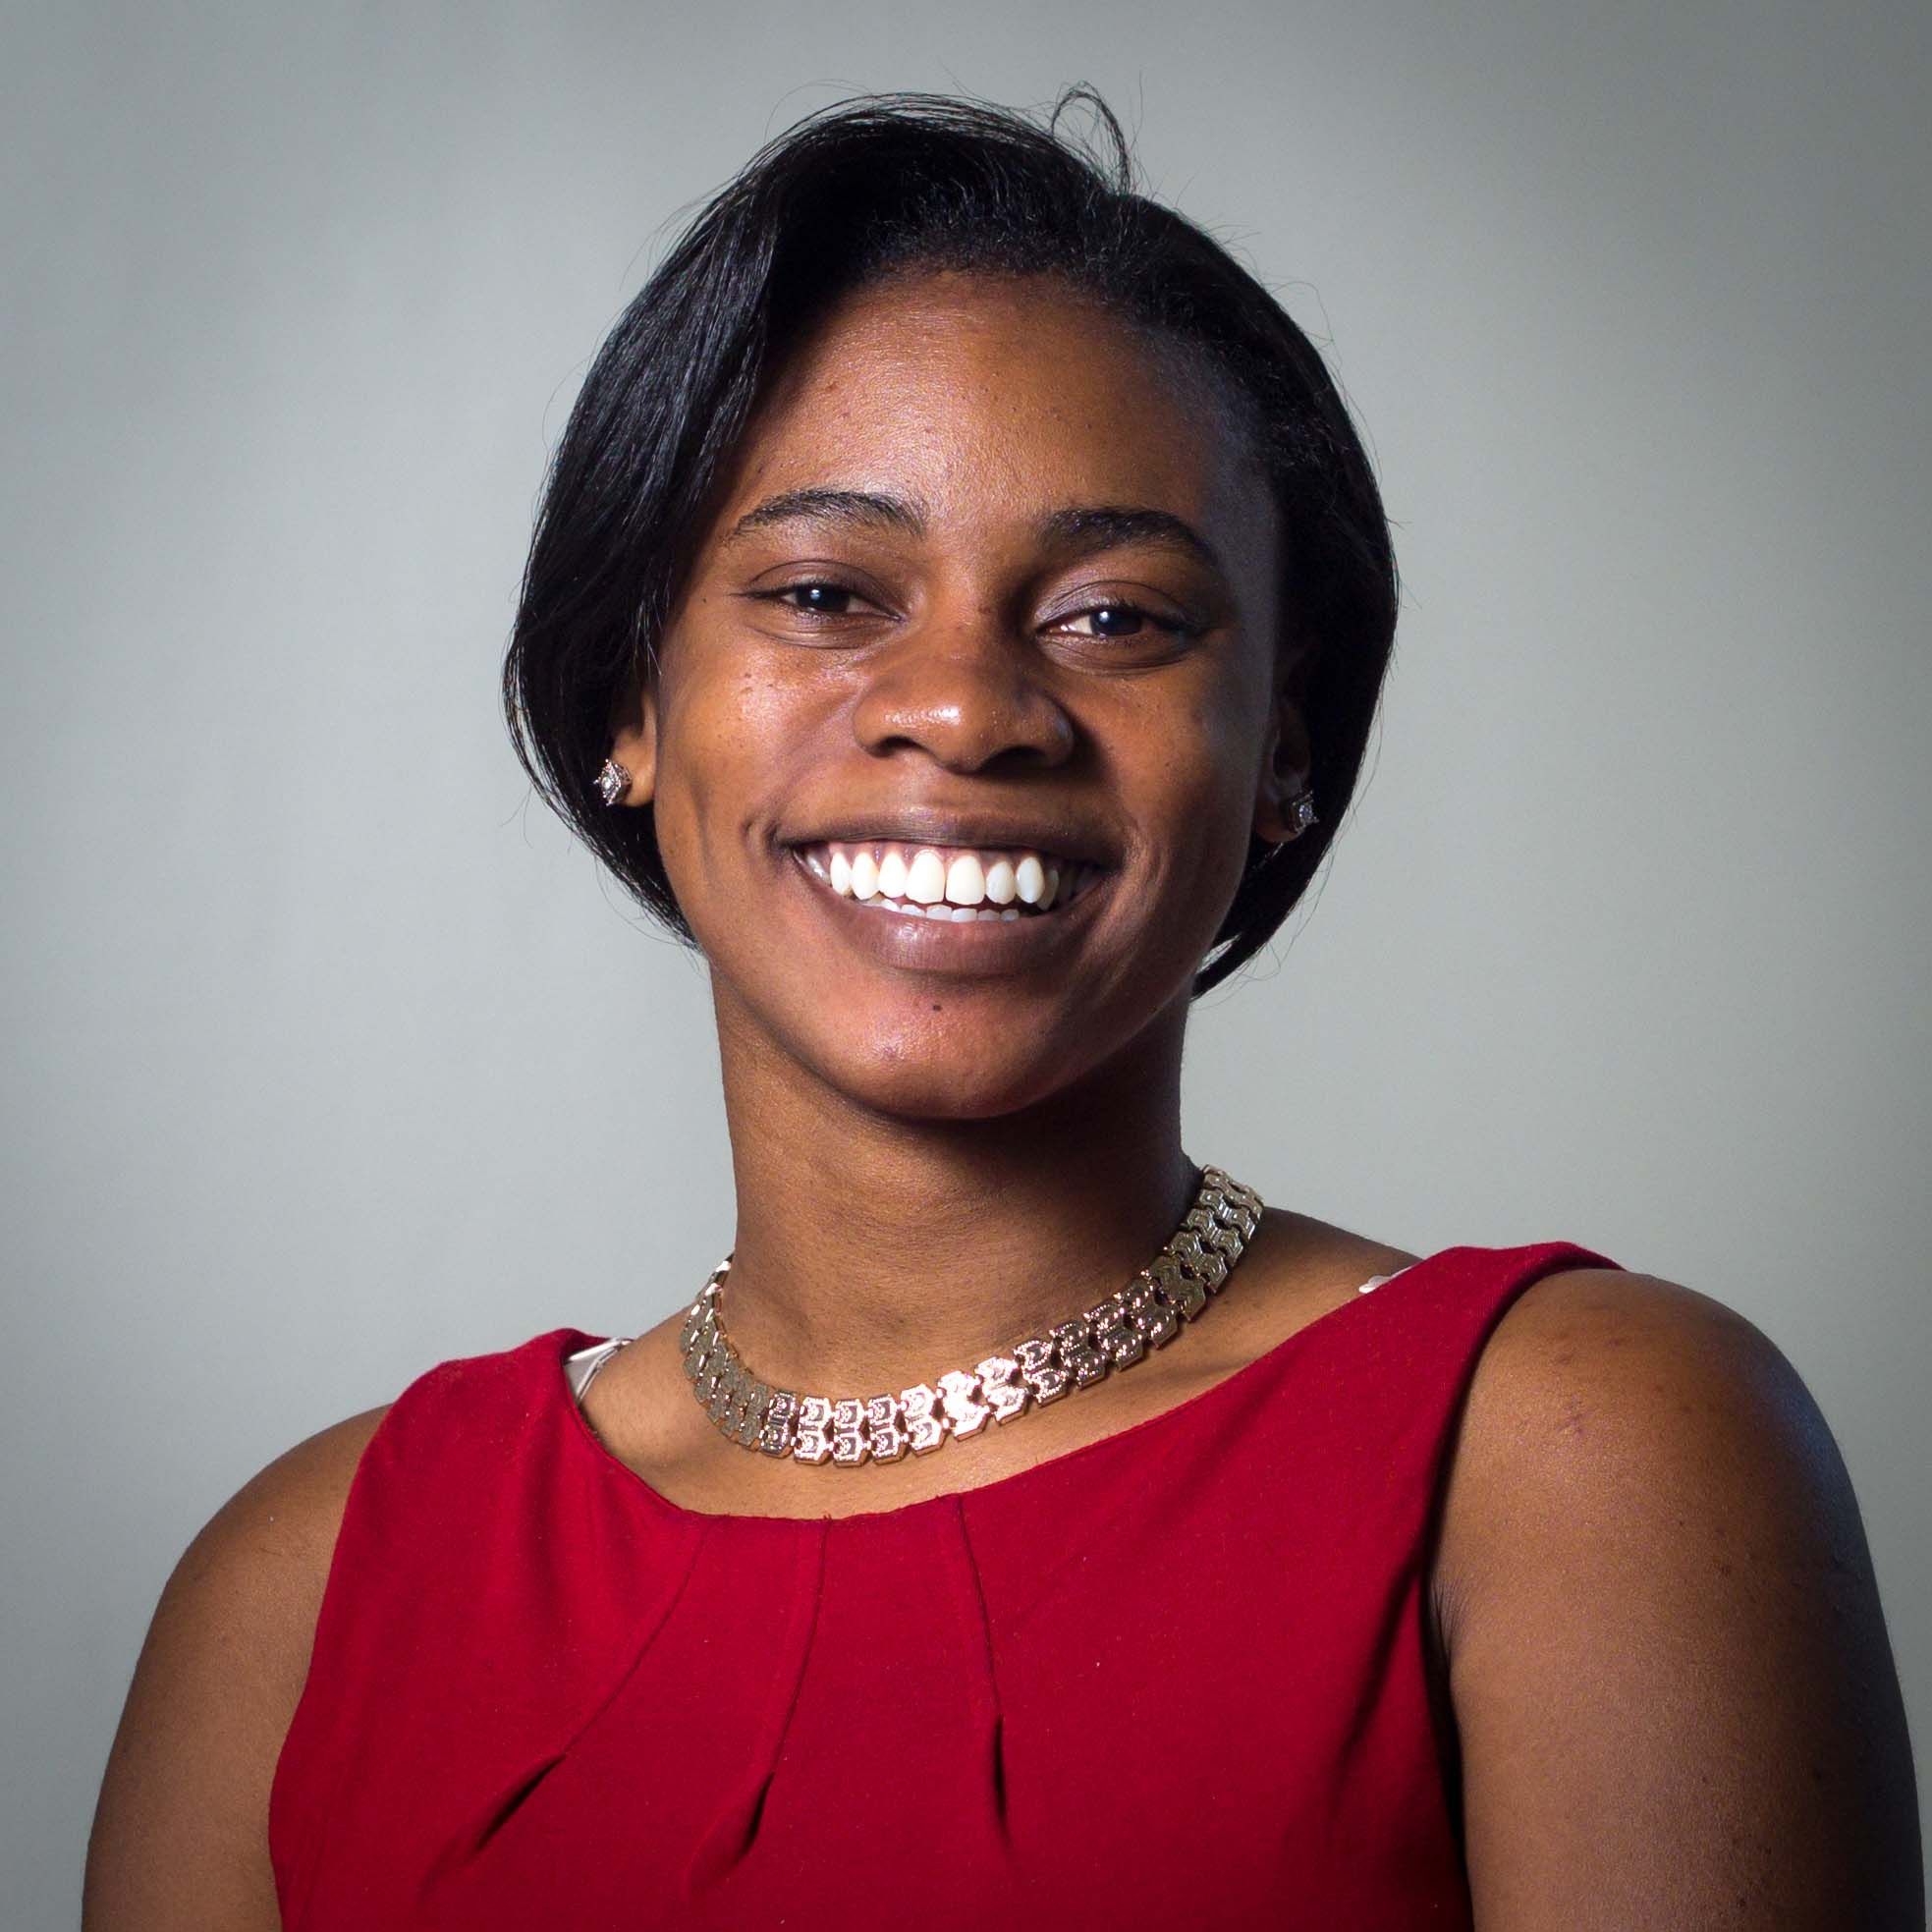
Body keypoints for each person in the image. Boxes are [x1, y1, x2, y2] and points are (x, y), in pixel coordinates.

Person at [84, 88, 1921, 1930]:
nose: (965, 710)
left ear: (1282, 743)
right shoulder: (304, 1591)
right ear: (627, 701)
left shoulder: (1580, 1455)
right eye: (825, 591)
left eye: (1117, 618)